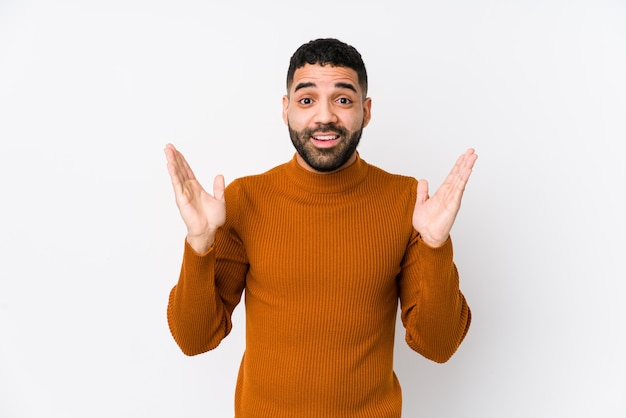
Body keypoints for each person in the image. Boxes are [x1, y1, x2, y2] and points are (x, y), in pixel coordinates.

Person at [164, 38, 477, 418]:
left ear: (366, 110)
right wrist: (199, 244)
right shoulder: (245, 199)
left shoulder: (409, 203)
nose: (324, 117)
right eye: (307, 100)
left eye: (343, 100)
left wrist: (434, 244)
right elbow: (194, 339)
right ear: (286, 110)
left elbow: (438, 345)